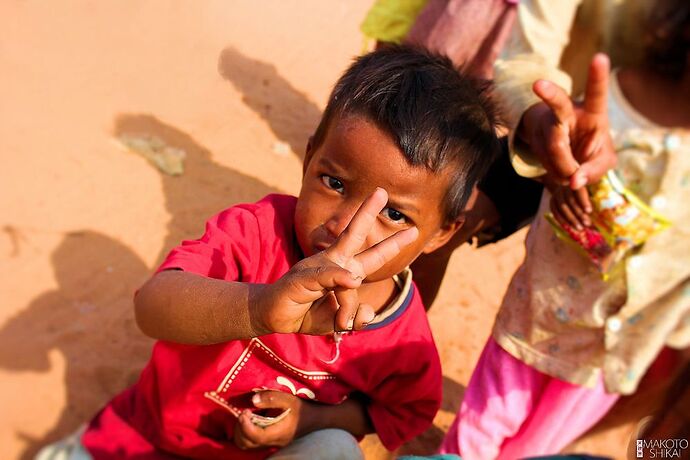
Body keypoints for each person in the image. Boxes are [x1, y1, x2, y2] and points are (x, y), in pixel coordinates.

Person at [37, 45, 502, 459]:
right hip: (145, 436)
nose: (346, 228)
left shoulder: (404, 342)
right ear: (308, 159)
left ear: (443, 232)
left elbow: (406, 412)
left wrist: (311, 421)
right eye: (334, 183)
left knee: (336, 450)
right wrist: (257, 308)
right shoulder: (257, 232)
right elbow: (152, 306)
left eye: (394, 215)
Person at [440, 1, 690, 458]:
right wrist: (555, 142)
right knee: (473, 439)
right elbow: (525, 63)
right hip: (539, 320)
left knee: (535, 451)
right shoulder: (613, 108)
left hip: (616, 356)